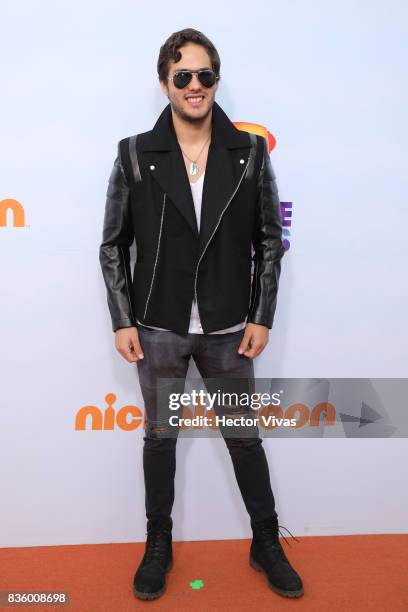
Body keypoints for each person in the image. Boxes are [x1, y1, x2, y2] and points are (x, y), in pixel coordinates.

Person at [99, 27, 304, 601]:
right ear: (165, 83)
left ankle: (265, 542)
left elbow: (269, 239)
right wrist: (122, 318)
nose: (195, 86)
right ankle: (157, 544)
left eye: (205, 75)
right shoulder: (136, 153)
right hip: (159, 327)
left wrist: (261, 314)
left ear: (217, 80)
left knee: (244, 439)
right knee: (161, 439)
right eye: (182, 76)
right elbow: (113, 244)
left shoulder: (248, 152)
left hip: (228, 327)